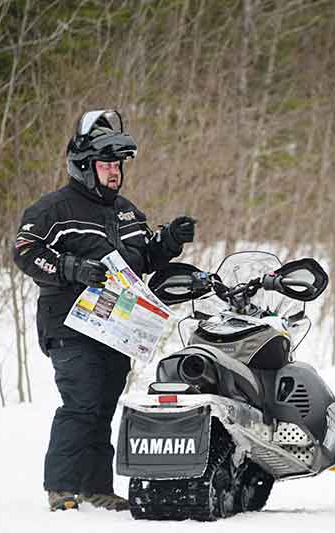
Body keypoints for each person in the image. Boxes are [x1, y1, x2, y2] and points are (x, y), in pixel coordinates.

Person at [12, 110, 197, 512]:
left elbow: (144, 258)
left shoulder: (126, 211)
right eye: (106, 165)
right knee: (81, 401)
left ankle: (97, 487)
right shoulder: (53, 210)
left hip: (118, 327)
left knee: (103, 406)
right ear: (83, 167)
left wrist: (169, 240)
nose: (114, 173)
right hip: (70, 325)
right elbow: (25, 251)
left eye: (117, 165)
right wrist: (70, 268)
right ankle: (61, 487)